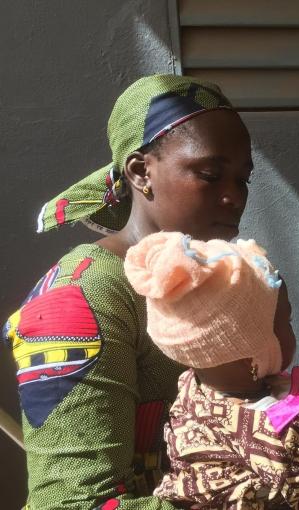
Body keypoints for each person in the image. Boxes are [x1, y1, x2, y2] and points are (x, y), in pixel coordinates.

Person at [3, 75, 254, 509]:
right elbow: (74, 504)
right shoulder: (81, 298)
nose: (234, 197)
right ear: (141, 172)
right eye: (211, 175)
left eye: (243, 179)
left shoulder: (202, 276)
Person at [123, 232, 299, 510]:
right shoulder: (280, 432)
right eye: (287, 322)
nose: (292, 329)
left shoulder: (193, 383)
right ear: (252, 359)